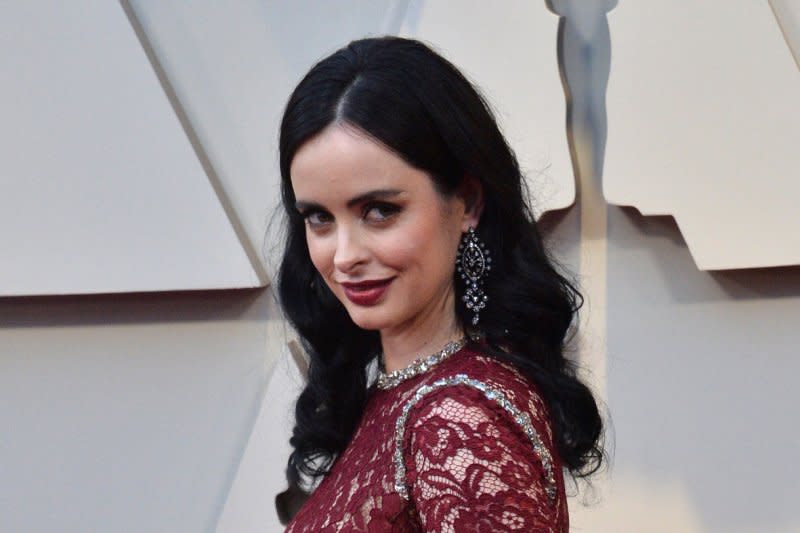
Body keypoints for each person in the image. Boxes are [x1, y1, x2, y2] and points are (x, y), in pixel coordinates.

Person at [275, 36, 604, 532]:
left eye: (380, 211)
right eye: (319, 218)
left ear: (467, 203)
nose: (344, 256)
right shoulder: (404, 398)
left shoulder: (457, 419)